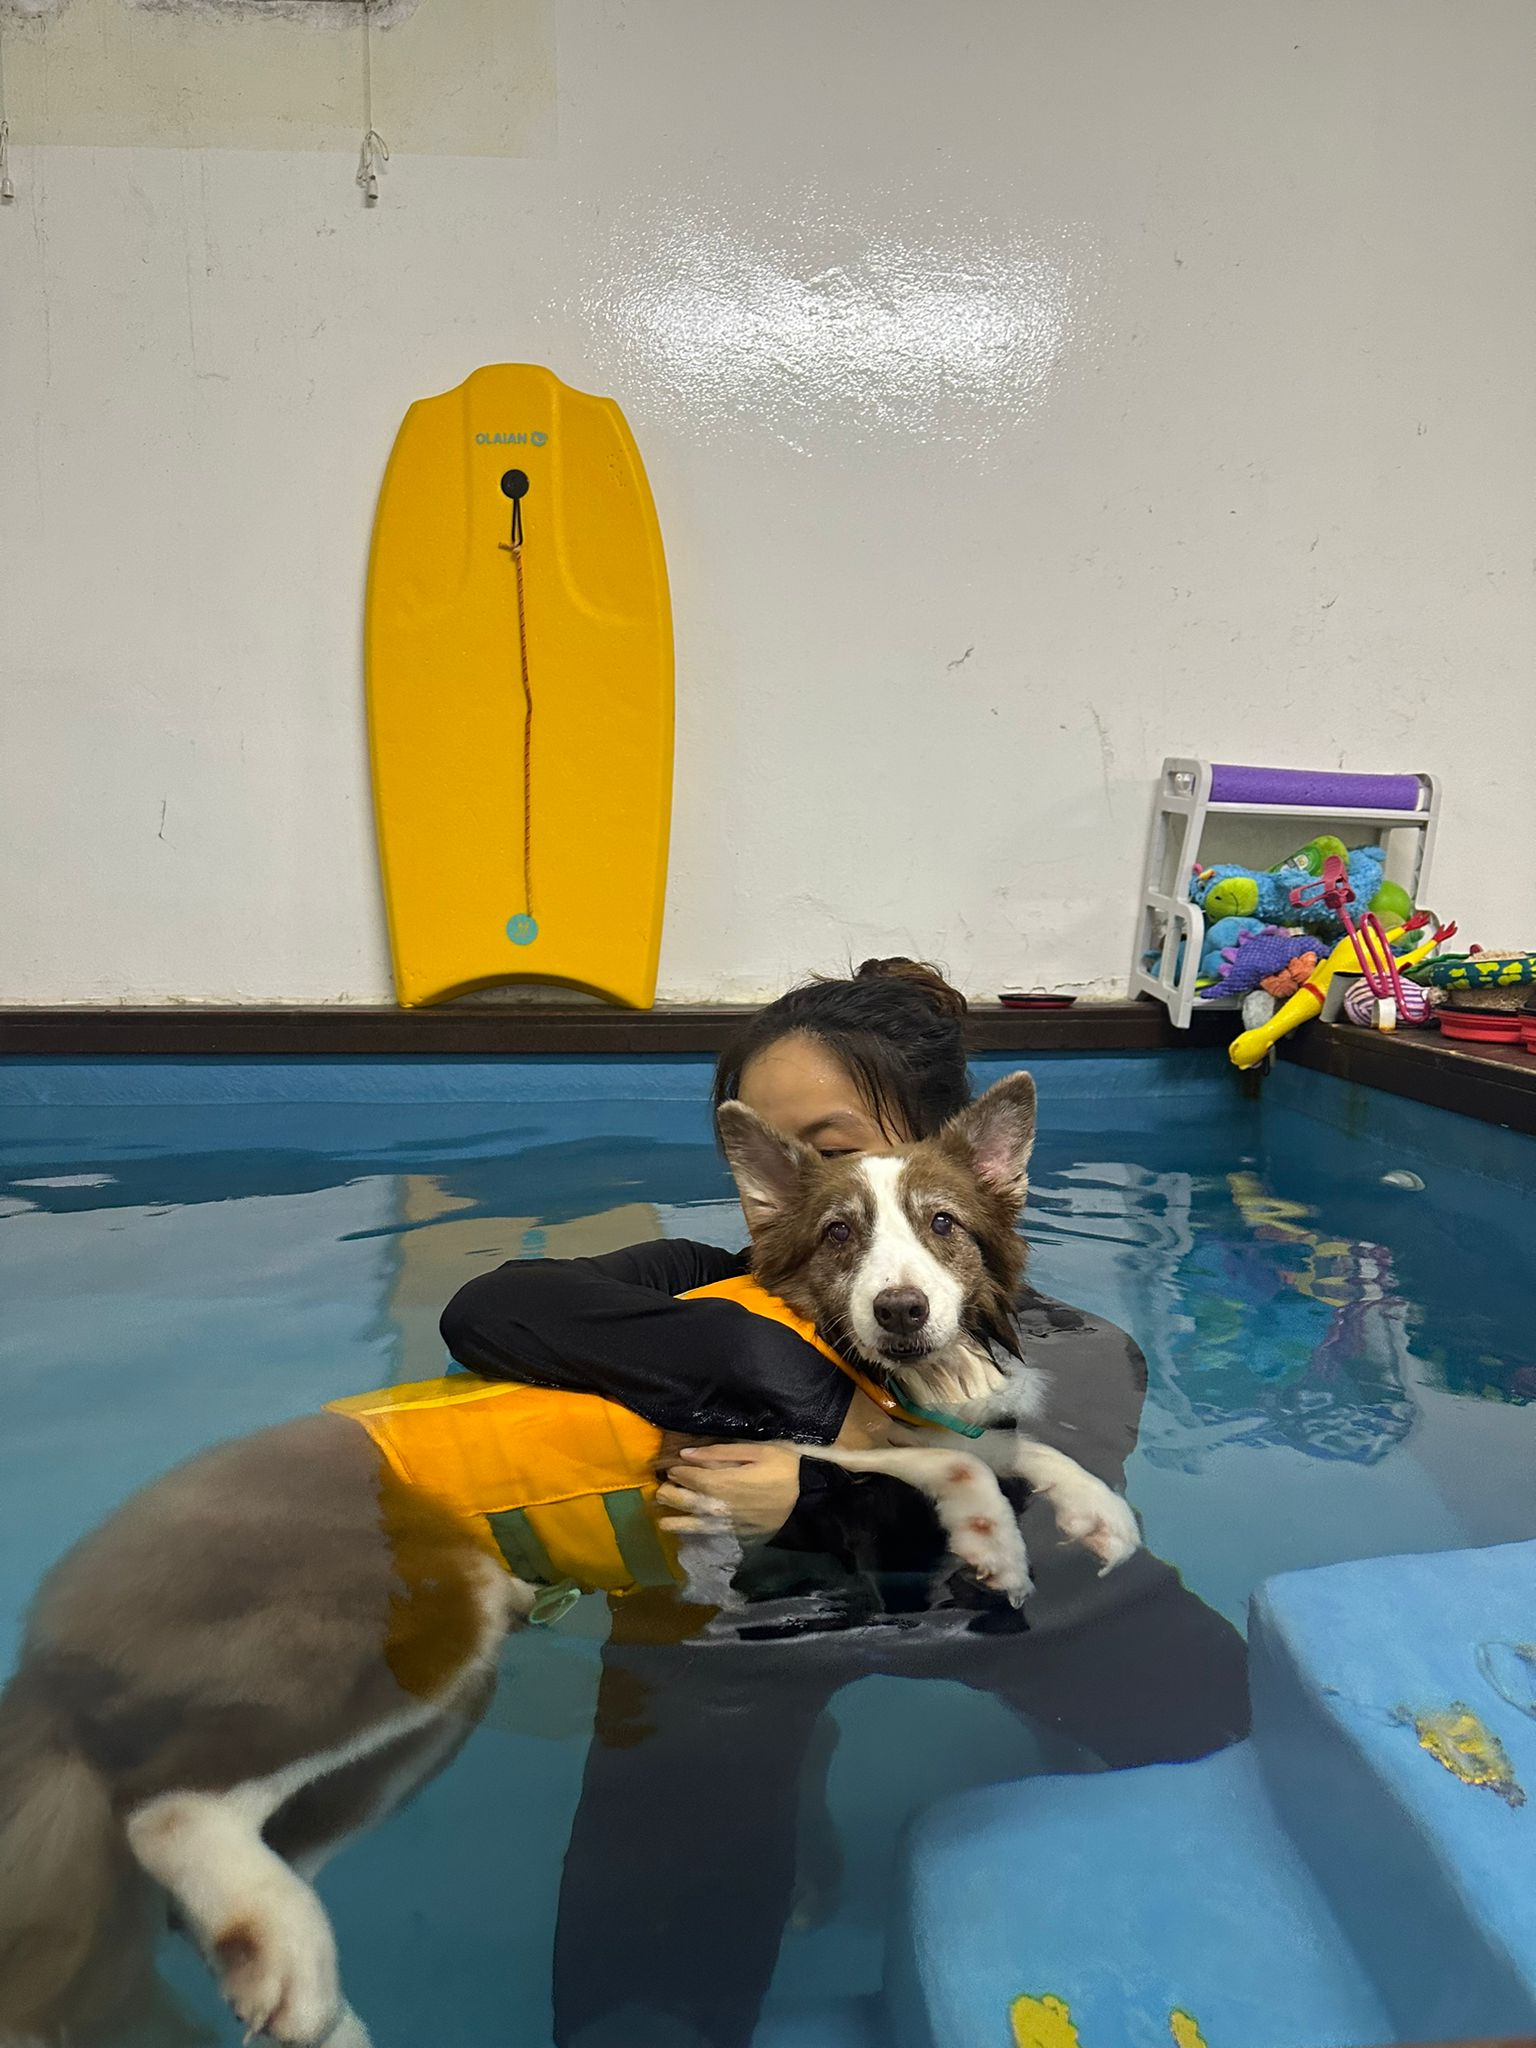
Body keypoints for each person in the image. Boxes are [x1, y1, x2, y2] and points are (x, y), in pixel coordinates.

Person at [441, 960, 1250, 2048]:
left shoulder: (1071, 1348)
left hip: (985, 1605)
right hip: (762, 1632)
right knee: (653, 1925)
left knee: (1237, 1729)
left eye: (821, 1150)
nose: (778, 1183)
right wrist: (797, 1388)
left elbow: (1049, 1532)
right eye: (765, 1166)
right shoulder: (710, 1277)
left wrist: (818, 1494)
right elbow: (493, 1306)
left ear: (953, 1152)